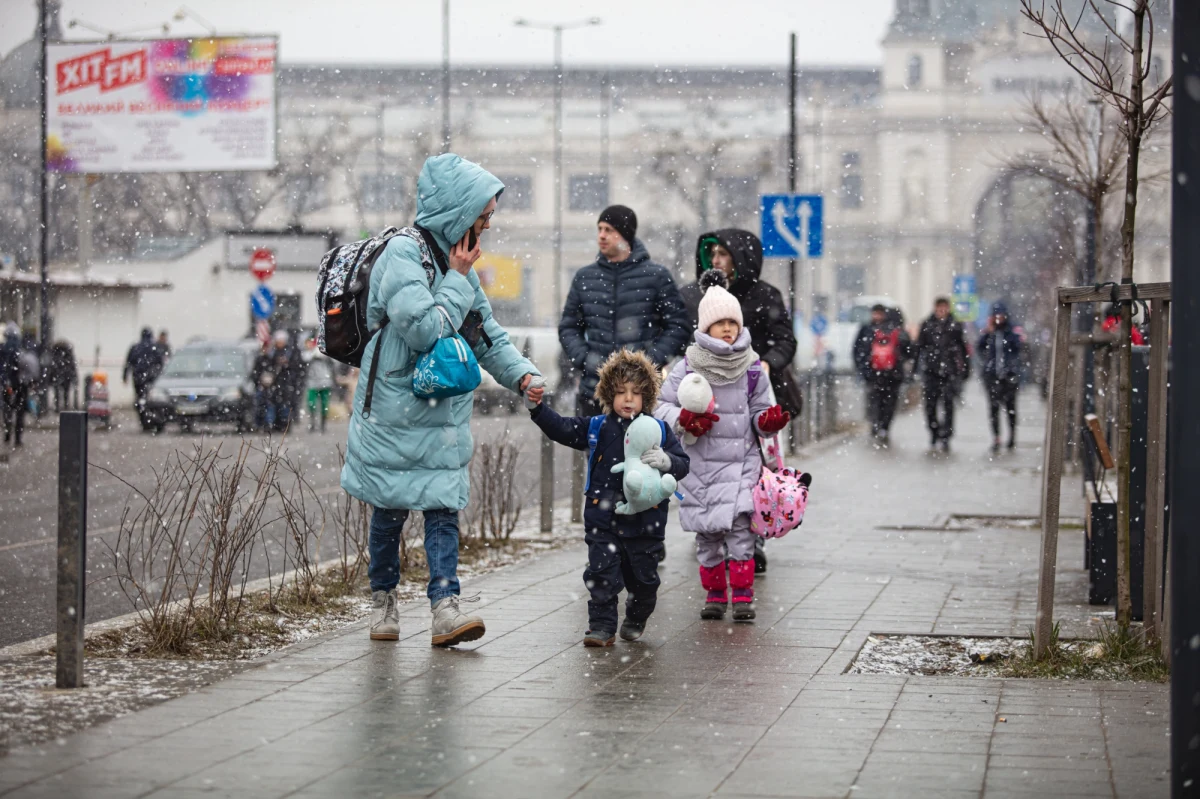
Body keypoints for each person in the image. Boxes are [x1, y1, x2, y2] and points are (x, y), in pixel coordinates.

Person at [341, 153, 541, 648]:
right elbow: (424, 329)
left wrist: (522, 376)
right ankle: (383, 600)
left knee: (442, 508)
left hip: (443, 410)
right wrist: (455, 277)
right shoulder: (403, 255)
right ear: (458, 211)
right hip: (394, 406)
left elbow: (484, 334)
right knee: (389, 508)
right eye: (483, 216)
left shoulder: (460, 269)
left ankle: (445, 607)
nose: (486, 226)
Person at [529, 349, 689, 646]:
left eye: (636, 393)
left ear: (646, 397)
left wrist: (666, 460)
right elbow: (562, 428)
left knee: (644, 580)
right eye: (620, 392)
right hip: (603, 518)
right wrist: (538, 410)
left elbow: (683, 464)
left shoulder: (659, 430)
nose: (628, 399)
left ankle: (637, 615)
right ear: (608, 394)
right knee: (601, 574)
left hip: (646, 522)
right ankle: (601, 627)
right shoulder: (597, 427)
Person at [656, 280, 792, 621]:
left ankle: (743, 596)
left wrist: (768, 421)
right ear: (706, 328)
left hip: (742, 463)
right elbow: (660, 406)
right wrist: (683, 419)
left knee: (742, 533)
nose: (728, 328)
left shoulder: (752, 366)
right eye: (721, 323)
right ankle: (715, 595)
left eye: (733, 322)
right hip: (700, 467)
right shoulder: (688, 365)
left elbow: (759, 410)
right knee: (708, 536)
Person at [680, 230, 801, 575]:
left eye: (724, 253)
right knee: (710, 467)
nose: (716, 260)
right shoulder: (694, 295)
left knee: (755, 470)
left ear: (740, 258)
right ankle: (713, 530)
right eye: (712, 253)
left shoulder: (765, 296)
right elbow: (684, 338)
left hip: (755, 396)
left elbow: (785, 340)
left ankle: (752, 538)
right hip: (711, 397)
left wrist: (768, 363)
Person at [558, 204, 690, 417]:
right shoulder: (584, 278)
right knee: (594, 440)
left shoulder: (657, 277)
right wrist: (586, 359)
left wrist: (647, 362)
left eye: (609, 230)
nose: (602, 235)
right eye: (599, 229)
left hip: (642, 394)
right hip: (594, 392)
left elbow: (678, 327)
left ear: (625, 235)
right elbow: (568, 327)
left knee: (643, 441)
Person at [852, 303, 912, 446]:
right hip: (889, 374)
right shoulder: (896, 330)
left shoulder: (869, 330)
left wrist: (863, 368)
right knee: (886, 402)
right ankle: (882, 427)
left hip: (878, 374)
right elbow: (909, 352)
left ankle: (878, 425)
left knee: (877, 401)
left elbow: (857, 350)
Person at [916, 297, 969, 453]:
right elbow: (919, 347)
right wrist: (915, 369)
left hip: (949, 372)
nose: (942, 311)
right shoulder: (927, 325)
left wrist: (965, 369)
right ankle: (934, 432)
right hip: (931, 372)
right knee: (930, 406)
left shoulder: (955, 325)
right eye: (939, 307)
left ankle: (946, 435)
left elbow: (963, 348)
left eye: (944, 307)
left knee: (948, 405)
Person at [978, 301, 1022, 454]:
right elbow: (980, 348)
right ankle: (996, 438)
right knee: (994, 408)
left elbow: (1018, 348)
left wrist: (1012, 368)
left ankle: (1012, 436)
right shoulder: (989, 333)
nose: (998, 318)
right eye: (995, 315)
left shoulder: (1011, 332)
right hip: (992, 376)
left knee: (1010, 408)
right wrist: (988, 332)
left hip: (1009, 376)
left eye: (1000, 315)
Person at [123, 327, 164, 428]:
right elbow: (160, 362)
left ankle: (143, 418)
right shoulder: (154, 347)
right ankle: (151, 418)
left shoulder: (135, 347)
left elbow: (128, 363)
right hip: (151, 378)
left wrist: (125, 376)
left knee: (140, 398)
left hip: (138, 377)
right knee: (151, 399)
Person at [1, 323, 26, 448]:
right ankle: (18, 438)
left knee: (7, 410)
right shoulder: (21, 349)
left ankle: (7, 434)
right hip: (20, 384)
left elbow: (2, 369)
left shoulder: (3, 348)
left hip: (7, 384)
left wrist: (5, 381)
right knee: (20, 412)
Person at [303, 342, 334, 433]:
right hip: (312, 382)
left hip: (325, 381)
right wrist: (313, 354)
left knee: (324, 404)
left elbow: (333, 363)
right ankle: (313, 423)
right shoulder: (309, 354)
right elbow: (304, 358)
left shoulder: (327, 353)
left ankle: (323, 424)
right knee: (311, 403)